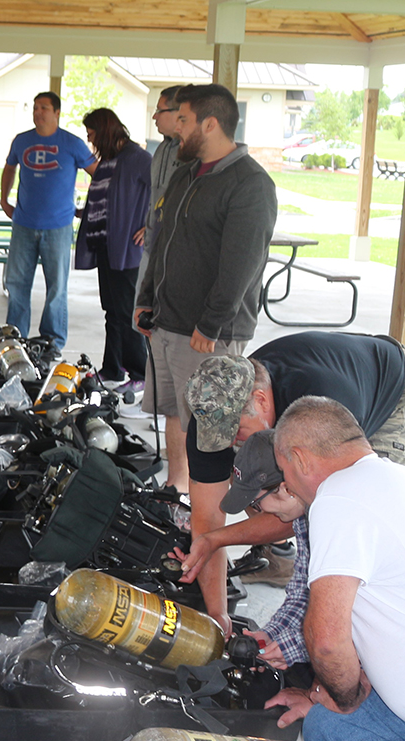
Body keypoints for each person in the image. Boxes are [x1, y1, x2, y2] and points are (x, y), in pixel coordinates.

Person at [176, 331, 405, 625]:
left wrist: (218, 539)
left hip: (391, 383)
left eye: (235, 431)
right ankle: (277, 558)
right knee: (257, 475)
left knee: (350, 516)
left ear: (261, 400)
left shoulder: (321, 408)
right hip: (324, 377)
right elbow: (207, 518)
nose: (227, 444)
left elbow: (312, 510)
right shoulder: (212, 414)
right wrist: (218, 614)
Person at [263, 397, 405, 741]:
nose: (289, 487)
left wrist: (345, 696)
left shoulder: (337, 496)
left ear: (298, 458)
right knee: (325, 723)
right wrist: (325, 696)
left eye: (285, 475)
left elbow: (327, 638)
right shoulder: (391, 477)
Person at [134, 83, 277, 504]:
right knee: (177, 414)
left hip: (206, 331)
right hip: (167, 321)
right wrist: (146, 298)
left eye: (183, 120)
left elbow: (241, 263)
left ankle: (219, 514)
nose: (175, 128)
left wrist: (210, 322)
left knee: (215, 429)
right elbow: (161, 242)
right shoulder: (184, 174)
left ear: (210, 124)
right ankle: (177, 489)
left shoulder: (250, 184)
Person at [0, 91, 97, 353]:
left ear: (57, 113)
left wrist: (88, 207)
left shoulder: (72, 143)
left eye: (44, 108)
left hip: (58, 227)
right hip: (23, 224)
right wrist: (3, 198)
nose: (38, 112)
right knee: (17, 284)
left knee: (56, 287)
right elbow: (10, 168)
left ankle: (52, 341)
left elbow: (98, 174)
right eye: (35, 107)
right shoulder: (22, 141)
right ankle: (15, 338)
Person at [216, 430, 311, 674]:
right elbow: (302, 596)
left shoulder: (337, 520)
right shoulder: (302, 514)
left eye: (255, 503)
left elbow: (356, 618)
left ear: (285, 487)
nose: (257, 511)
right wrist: (271, 635)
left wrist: (294, 646)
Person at [75, 108, 150, 397]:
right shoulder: (109, 160)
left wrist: (151, 225)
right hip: (107, 246)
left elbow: (167, 190)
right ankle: (112, 368)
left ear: (104, 131)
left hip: (128, 249)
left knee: (128, 312)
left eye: (91, 133)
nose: (89, 138)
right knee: (112, 311)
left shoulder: (138, 158)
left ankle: (139, 373)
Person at [135, 85, 183, 284]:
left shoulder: (192, 153)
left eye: (160, 110)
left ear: (180, 113)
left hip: (175, 254)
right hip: (150, 247)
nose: (154, 117)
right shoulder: (161, 149)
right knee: (141, 309)